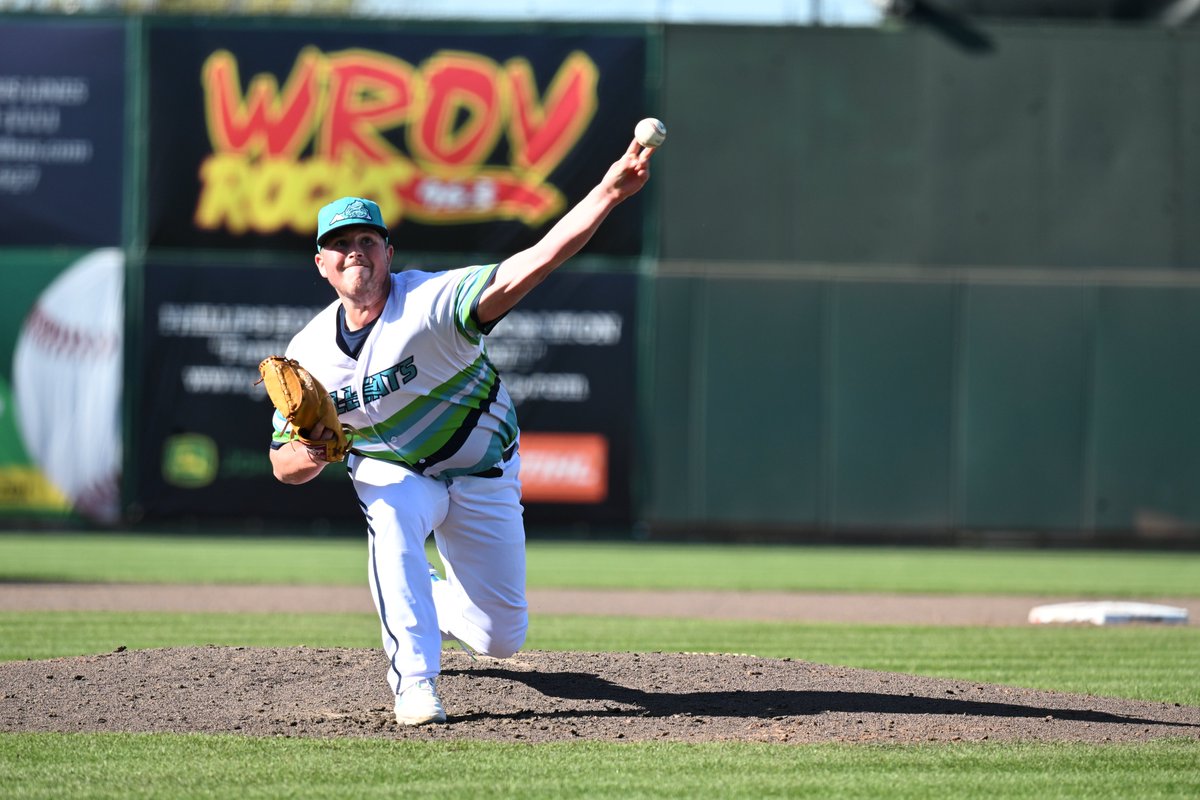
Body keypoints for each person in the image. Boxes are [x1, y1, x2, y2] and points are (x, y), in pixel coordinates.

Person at [268, 137, 655, 726]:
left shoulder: (433, 301)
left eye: (366, 240)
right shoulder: (306, 354)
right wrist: (313, 450)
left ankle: (432, 593)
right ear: (321, 264)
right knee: (391, 522)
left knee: (502, 637)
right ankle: (415, 685)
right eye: (339, 245)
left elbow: (541, 257)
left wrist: (607, 192)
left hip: (481, 469)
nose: (354, 252)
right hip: (391, 469)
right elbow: (282, 467)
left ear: (388, 252)